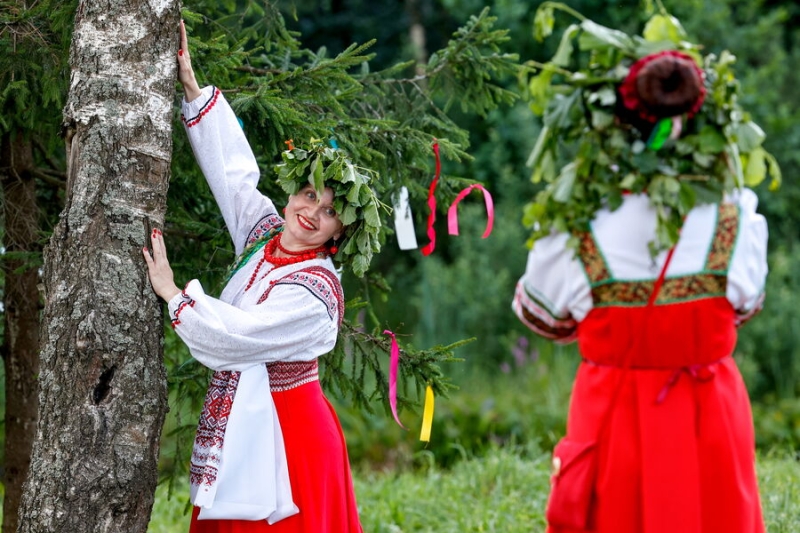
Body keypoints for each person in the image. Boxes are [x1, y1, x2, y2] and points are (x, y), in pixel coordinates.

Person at [512, 54, 769, 533]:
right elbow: (746, 306)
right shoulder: (734, 216)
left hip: (613, 421)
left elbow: (541, 317)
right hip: (710, 418)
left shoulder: (573, 221)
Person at [143, 21, 363, 533]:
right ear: (293, 194)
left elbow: (239, 337)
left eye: (329, 211)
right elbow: (237, 182)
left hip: (289, 436)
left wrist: (175, 295)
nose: (311, 211)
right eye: (309, 194)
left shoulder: (315, 294)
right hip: (246, 421)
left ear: (340, 230)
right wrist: (196, 93)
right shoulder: (266, 239)